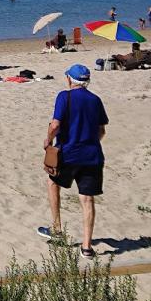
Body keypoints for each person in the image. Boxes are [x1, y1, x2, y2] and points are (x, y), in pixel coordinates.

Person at [38, 64, 108, 259]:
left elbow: (55, 124)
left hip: (68, 153)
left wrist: (48, 139)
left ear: (70, 79)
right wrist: (89, 142)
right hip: (92, 155)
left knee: (52, 182)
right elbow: (101, 131)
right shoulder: (95, 100)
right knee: (87, 199)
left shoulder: (64, 96)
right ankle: (87, 246)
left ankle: (57, 227)